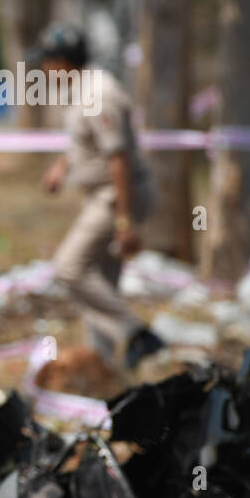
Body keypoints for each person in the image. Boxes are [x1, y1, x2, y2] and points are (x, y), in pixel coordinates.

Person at [36, 22, 164, 369]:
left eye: (48, 63)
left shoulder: (99, 95)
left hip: (117, 194)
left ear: (61, 62)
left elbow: (119, 159)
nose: (45, 71)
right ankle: (107, 367)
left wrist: (124, 222)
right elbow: (87, 142)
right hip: (104, 193)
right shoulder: (80, 89)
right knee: (102, 283)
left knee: (70, 267)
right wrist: (62, 167)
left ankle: (137, 335)